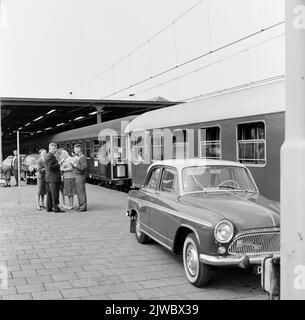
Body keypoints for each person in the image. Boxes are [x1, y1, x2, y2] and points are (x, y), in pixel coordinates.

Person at [44, 143, 64, 213]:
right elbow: (51, 167)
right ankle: (56, 208)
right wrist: (59, 163)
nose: (55, 150)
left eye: (56, 148)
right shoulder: (50, 156)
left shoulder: (48, 155)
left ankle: (49, 208)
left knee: (49, 194)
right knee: (55, 194)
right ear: (50, 148)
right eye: (54, 148)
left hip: (49, 178)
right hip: (53, 178)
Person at [72, 144, 87, 212]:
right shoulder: (79, 157)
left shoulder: (82, 157)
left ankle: (83, 207)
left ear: (79, 149)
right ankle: (81, 205)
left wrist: (75, 165)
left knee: (81, 192)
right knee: (79, 191)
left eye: (75, 149)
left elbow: (84, 167)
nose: (74, 150)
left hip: (80, 176)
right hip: (78, 176)